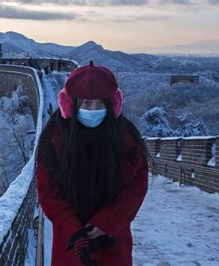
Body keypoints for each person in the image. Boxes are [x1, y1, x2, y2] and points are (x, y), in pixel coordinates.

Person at [35, 60, 149, 266]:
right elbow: (48, 191)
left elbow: (136, 186)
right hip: (71, 244)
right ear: (70, 104)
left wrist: (108, 221)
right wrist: (73, 229)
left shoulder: (126, 139)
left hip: (113, 243)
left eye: (100, 103)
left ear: (112, 104)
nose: (93, 109)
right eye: (86, 103)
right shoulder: (55, 139)